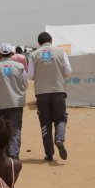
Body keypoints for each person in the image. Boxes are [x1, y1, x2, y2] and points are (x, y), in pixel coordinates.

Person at [28, 32, 72, 161]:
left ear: (39, 43)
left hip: (41, 92)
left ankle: (49, 153)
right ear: (51, 41)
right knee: (61, 118)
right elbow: (68, 71)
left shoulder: (34, 54)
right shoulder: (60, 51)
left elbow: (30, 75)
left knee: (45, 122)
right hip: (58, 90)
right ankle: (59, 139)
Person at [0, 43, 28, 160]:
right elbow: (25, 84)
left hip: (1, 104)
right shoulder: (19, 67)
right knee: (15, 128)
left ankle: (5, 154)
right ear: (12, 53)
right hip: (17, 102)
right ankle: (14, 153)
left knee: (4, 128)